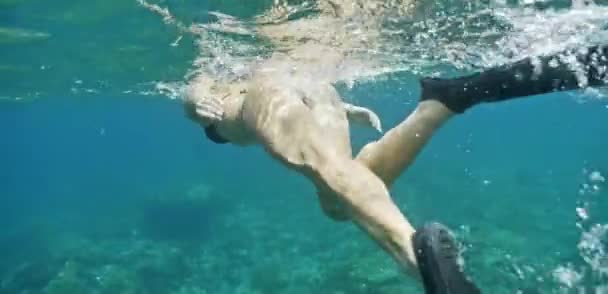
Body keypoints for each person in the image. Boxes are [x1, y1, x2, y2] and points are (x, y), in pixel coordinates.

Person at [184, 43, 607, 293]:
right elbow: (293, 94)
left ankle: (419, 260)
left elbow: (195, 93)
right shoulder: (268, 68)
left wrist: (199, 105)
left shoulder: (232, 93)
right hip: (315, 92)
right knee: (335, 200)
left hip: (267, 100)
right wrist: (341, 110)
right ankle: (438, 105)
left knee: (329, 172)